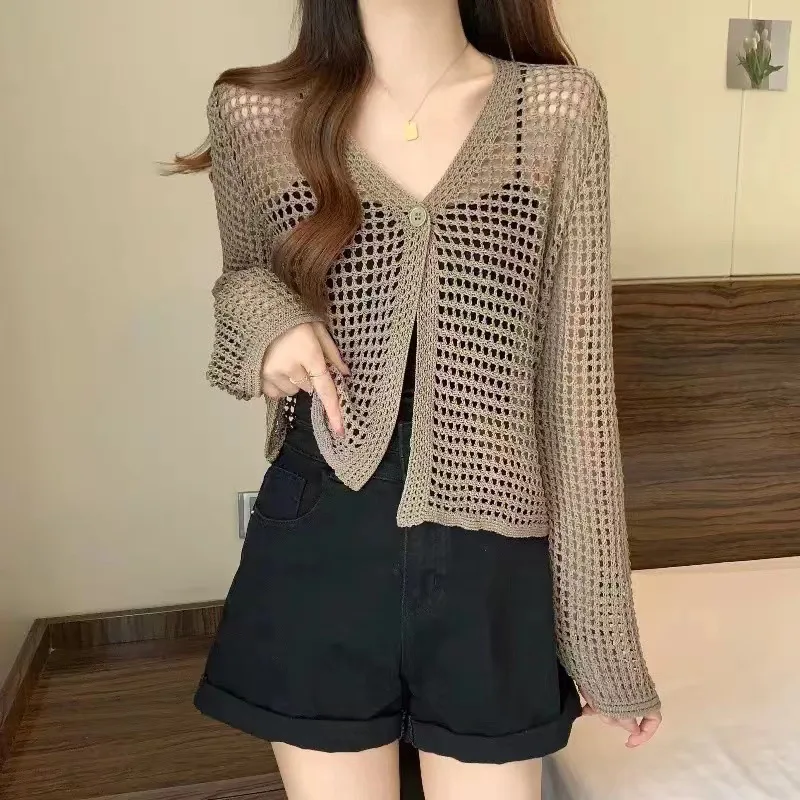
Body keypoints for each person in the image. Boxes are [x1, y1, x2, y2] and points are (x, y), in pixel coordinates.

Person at [173, 1, 662, 797]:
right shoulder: (254, 112)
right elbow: (242, 278)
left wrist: (604, 642)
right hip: (321, 531)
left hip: (492, 558)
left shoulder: (556, 111)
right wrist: (268, 325)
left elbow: (577, 397)